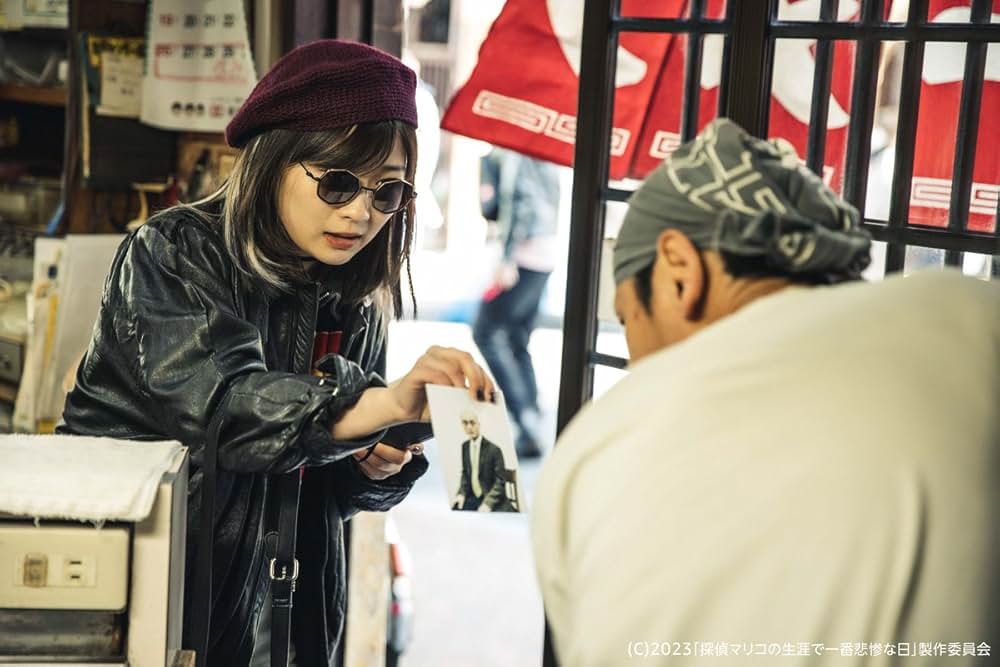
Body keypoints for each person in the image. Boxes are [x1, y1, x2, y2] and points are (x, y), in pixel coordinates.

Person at [58, 40, 495, 666]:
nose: (361, 213)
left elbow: (326, 490)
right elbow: (228, 409)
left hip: (291, 614)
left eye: (387, 192)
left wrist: (374, 464)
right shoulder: (172, 252)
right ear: (274, 159)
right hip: (153, 603)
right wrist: (377, 405)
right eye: (338, 183)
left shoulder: (354, 295)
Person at [532, 119, 1000, 665]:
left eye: (628, 317)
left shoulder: (599, 446)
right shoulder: (974, 316)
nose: (636, 357)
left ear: (680, 271)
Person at [473, 147, 561, 458]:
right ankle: (531, 418)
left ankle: (525, 419)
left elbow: (520, 199)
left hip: (524, 253)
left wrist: (507, 257)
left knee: (486, 332)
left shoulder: (517, 149)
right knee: (516, 338)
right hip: (544, 252)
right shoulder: (542, 148)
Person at [452, 406, 514, 513]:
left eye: (472, 422)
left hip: (492, 498)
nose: (469, 427)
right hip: (474, 498)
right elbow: (465, 474)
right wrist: (461, 494)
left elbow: (500, 481)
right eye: (465, 423)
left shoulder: (494, 449)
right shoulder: (465, 447)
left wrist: (488, 503)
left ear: (479, 424)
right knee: (456, 510)